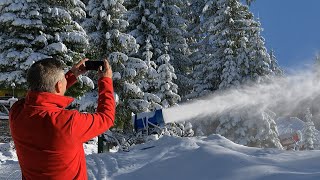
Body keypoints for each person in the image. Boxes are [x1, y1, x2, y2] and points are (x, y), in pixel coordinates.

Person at [9, 57, 115, 180]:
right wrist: (105, 80)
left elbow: (40, 96)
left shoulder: (16, 112)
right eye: (63, 79)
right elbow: (106, 117)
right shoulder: (68, 123)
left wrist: (71, 76)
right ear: (59, 86)